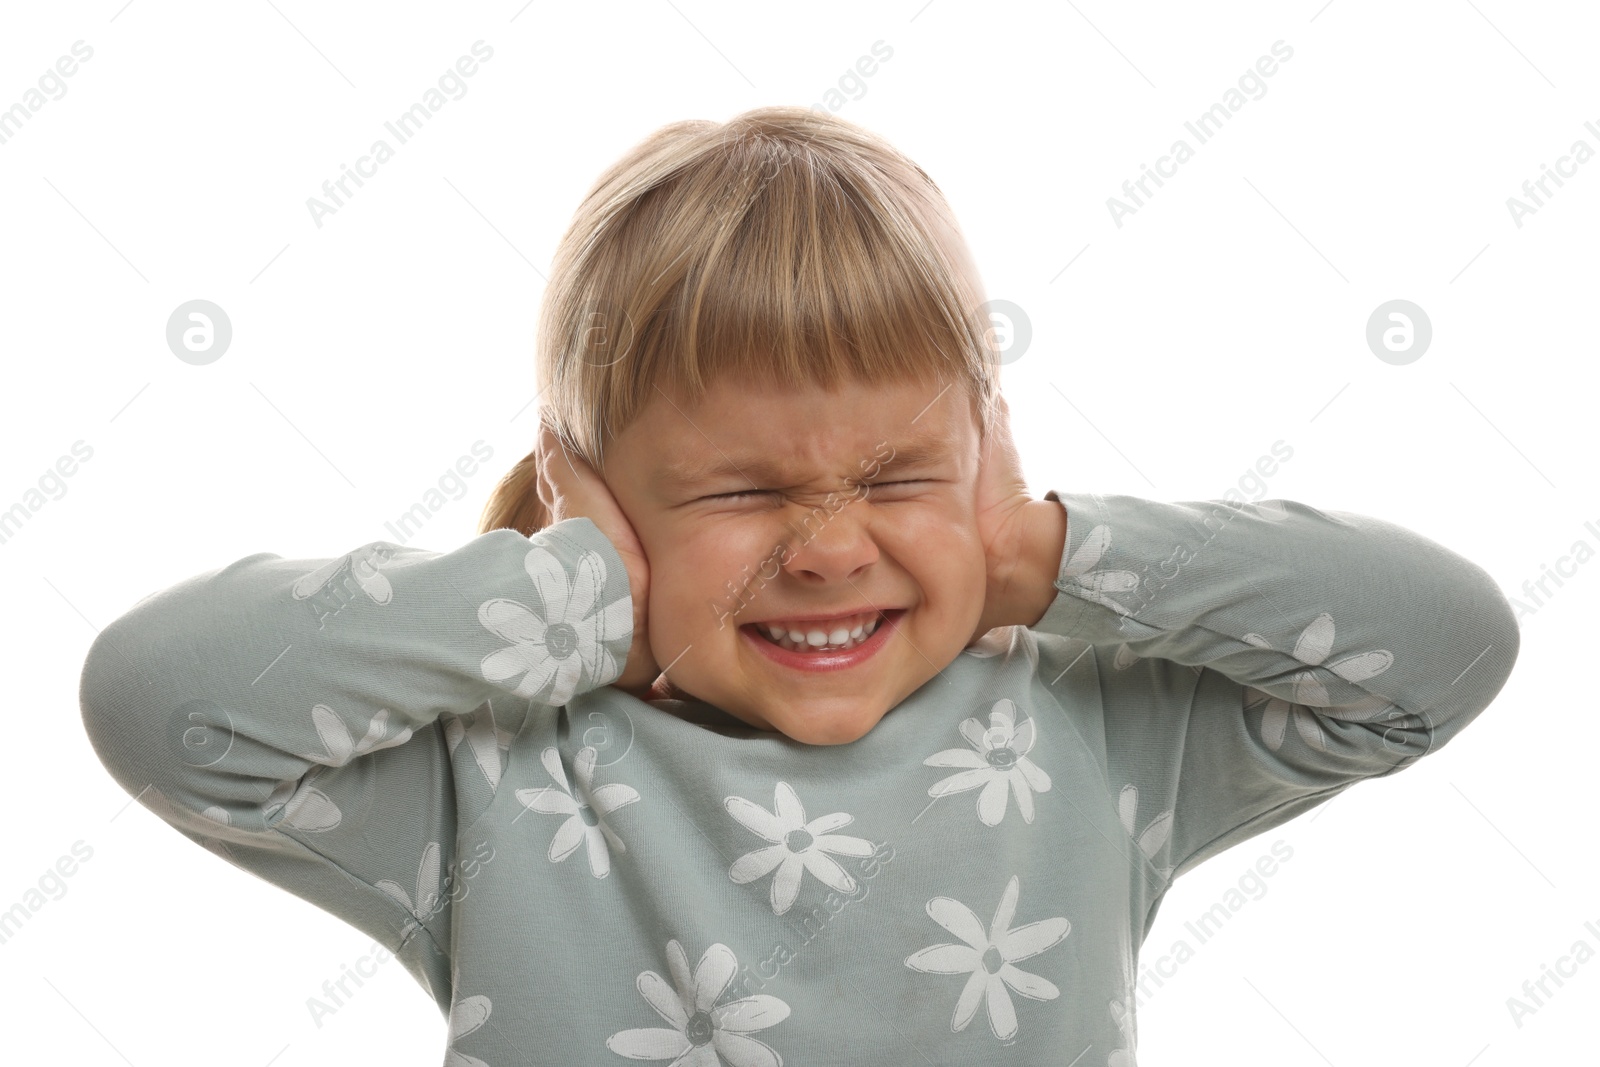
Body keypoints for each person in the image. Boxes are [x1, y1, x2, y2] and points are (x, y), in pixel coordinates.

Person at [80, 105, 1520, 1065]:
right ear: (595, 498)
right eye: (741, 492)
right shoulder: (494, 784)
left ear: (983, 458)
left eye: (899, 480)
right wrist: (573, 594)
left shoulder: (1092, 739)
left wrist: (1048, 553)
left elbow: (1442, 650)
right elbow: (167, 702)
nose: (831, 547)